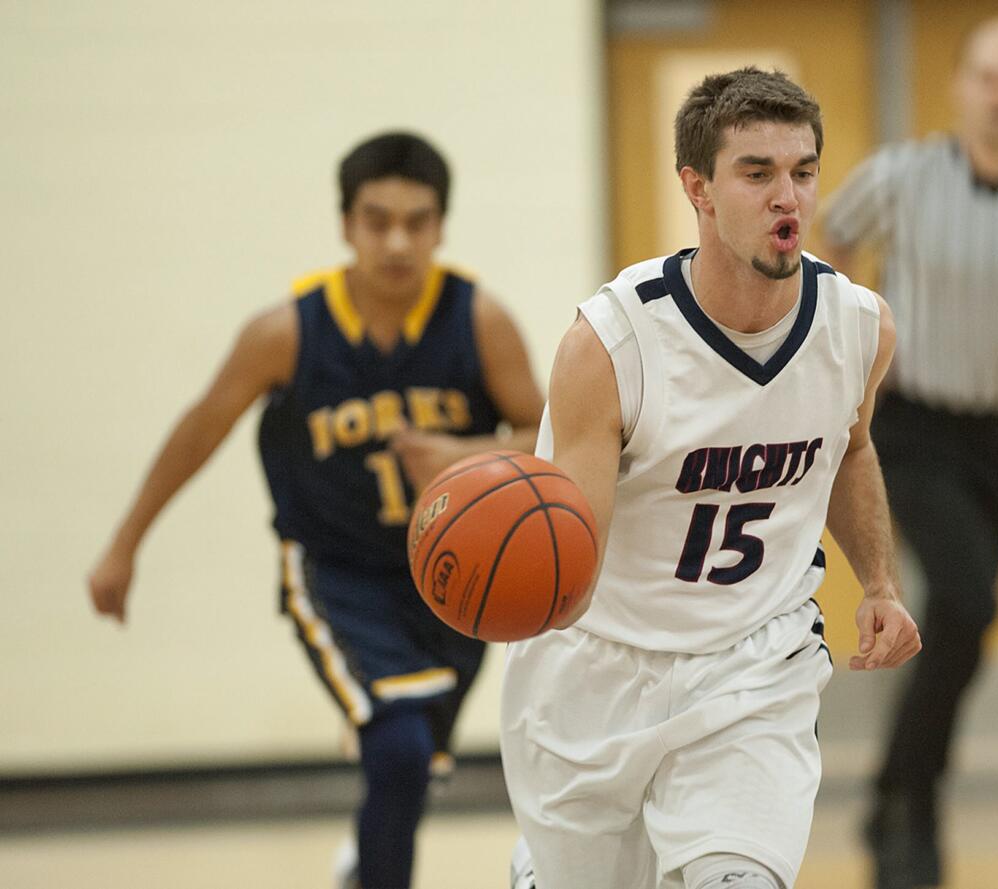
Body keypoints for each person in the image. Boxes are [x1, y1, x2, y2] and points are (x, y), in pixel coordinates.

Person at [87, 131, 544, 889]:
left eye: (417, 220)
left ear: (441, 225)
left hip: (450, 574)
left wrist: (462, 453)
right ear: (345, 224)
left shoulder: (479, 320)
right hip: (335, 573)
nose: (397, 240)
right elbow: (201, 428)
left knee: (412, 764)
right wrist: (124, 542)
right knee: (398, 747)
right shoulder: (288, 332)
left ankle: (364, 865)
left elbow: (554, 434)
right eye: (377, 219)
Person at [500, 67, 921, 889]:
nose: (787, 196)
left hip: (752, 665)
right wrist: (505, 579)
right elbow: (568, 560)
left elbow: (852, 447)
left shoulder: (858, 327)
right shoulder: (611, 346)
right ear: (697, 187)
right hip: (598, 668)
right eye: (756, 173)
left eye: (802, 171)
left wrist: (879, 580)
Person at [819, 18, 998, 889]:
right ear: (960, 84)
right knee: (972, 599)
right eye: (988, 76)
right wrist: (842, 344)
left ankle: (895, 794)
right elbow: (831, 236)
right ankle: (912, 804)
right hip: (914, 426)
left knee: (964, 623)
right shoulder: (902, 177)